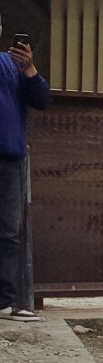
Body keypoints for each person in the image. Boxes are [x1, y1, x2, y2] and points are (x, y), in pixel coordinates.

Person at [0, 33, 49, 320]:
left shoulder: (11, 64)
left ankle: (3, 302)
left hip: (9, 159)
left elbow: (42, 100)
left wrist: (30, 69)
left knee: (8, 233)